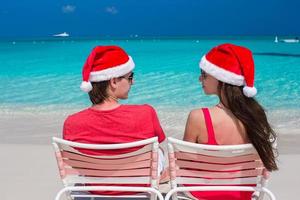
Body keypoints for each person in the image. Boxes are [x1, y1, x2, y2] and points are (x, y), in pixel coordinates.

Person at [63, 45, 166, 194]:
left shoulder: (72, 123)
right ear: (113, 81)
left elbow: (76, 164)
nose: (133, 82)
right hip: (138, 190)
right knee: (159, 150)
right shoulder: (145, 113)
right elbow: (159, 145)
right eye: (130, 77)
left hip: (97, 192)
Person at [183, 43, 278, 200]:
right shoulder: (256, 117)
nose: (200, 78)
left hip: (200, 193)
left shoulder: (198, 117)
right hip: (242, 193)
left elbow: (184, 162)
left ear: (221, 78)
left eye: (204, 74)